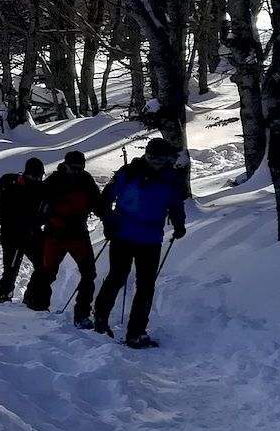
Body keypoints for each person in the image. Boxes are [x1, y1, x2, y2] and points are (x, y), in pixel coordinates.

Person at [92, 137, 188, 349]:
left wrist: (179, 223)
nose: (155, 162)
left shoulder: (170, 178)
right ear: (146, 154)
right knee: (117, 277)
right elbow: (105, 198)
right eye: (152, 157)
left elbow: (176, 203)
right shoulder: (129, 172)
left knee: (146, 285)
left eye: (160, 158)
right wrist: (108, 221)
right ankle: (100, 318)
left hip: (151, 238)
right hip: (123, 234)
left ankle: (136, 331)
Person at [23, 150, 102, 325]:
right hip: (55, 235)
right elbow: (38, 206)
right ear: (65, 165)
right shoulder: (54, 181)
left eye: (80, 167)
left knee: (89, 274)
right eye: (73, 167)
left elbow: (97, 203)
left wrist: (109, 219)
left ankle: (82, 314)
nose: (77, 171)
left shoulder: (87, 181)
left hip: (78, 235)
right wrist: (34, 227)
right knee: (47, 274)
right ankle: (39, 308)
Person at [0, 157, 46, 302]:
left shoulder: (41, 189)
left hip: (32, 234)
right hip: (12, 235)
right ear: (26, 174)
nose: (36, 179)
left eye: (40, 177)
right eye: (33, 176)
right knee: (10, 270)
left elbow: (45, 213)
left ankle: (30, 298)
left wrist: (35, 225)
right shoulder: (10, 185)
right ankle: (3, 298)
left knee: (43, 265)